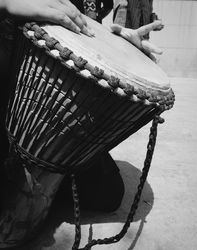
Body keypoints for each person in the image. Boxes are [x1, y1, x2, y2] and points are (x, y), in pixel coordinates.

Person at [0, 0, 163, 213]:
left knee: (107, 193)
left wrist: (117, 44)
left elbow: (85, 31)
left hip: (57, 96)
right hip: (11, 82)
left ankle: (43, 167)